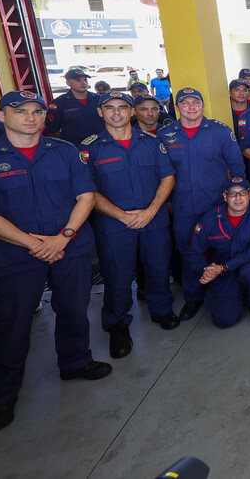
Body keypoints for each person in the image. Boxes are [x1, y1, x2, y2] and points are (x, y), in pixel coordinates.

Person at [0, 91, 109, 433]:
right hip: (16, 254)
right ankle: (3, 394)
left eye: (36, 112)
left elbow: (85, 196)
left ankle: (75, 362)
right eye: (21, 111)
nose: (30, 117)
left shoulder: (65, 152)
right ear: (2, 116)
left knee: (74, 308)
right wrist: (32, 242)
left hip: (69, 247)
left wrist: (64, 236)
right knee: (13, 323)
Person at [85, 91, 178, 359]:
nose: (117, 113)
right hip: (114, 225)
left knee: (159, 267)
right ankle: (117, 325)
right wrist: (123, 216)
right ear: (100, 112)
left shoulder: (151, 142)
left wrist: (151, 210)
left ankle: (162, 310)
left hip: (154, 219)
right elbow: (87, 191)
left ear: (132, 112)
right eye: (110, 108)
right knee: (117, 275)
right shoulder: (89, 148)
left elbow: (168, 177)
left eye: (123, 108)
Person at [158, 87, 246, 322]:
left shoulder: (219, 131)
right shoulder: (165, 135)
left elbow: (237, 167)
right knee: (188, 252)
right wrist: (166, 202)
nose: (191, 107)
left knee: (223, 248)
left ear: (202, 105)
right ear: (176, 108)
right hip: (183, 206)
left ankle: (227, 289)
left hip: (217, 204)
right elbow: (159, 173)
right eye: (185, 103)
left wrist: (236, 198)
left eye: (195, 102)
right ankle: (193, 297)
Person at [187, 177, 250, 327]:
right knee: (224, 320)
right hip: (221, 268)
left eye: (242, 193)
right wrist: (206, 270)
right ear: (225, 197)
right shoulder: (209, 220)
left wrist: (224, 267)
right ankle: (238, 294)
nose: (238, 198)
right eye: (232, 194)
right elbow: (194, 252)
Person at [46, 68, 103, 145]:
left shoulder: (99, 99)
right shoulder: (59, 103)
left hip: (100, 145)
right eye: (78, 80)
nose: (83, 83)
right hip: (74, 147)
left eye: (85, 80)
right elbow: (52, 130)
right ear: (68, 83)